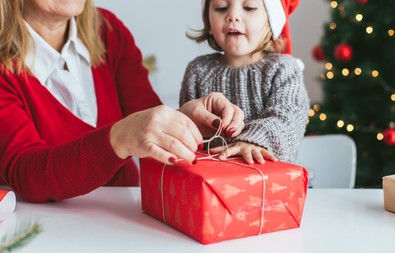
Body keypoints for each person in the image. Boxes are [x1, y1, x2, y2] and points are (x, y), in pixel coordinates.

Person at [0, 0, 244, 203]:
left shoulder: (108, 30)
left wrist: (184, 120)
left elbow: (144, 117)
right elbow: (25, 172)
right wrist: (117, 138)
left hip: (124, 218)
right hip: (45, 233)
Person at [180, 0, 309, 164]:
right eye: (221, 8)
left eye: (249, 7)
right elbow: (187, 128)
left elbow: (289, 117)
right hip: (213, 181)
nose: (232, 16)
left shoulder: (282, 68)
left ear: (270, 20)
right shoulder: (197, 71)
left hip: (269, 180)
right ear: (209, 22)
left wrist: (252, 140)